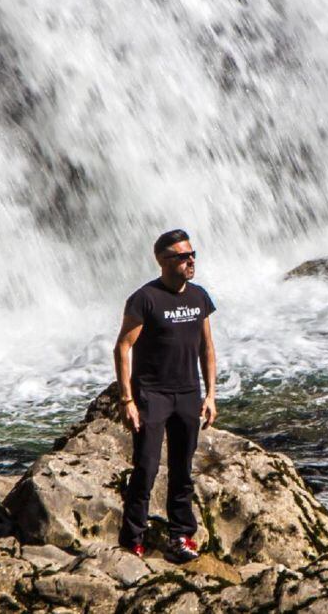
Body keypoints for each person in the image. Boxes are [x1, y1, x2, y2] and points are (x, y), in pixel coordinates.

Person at [114, 229, 217, 561]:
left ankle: (180, 536)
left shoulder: (199, 296)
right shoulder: (145, 298)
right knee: (145, 468)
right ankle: (132, 540)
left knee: (183, 470)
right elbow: (123, 347)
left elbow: (207, 348)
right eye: (182, 257)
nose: (190, 261)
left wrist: (211, 394)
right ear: (162, 260)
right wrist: (127, 400)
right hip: (152, 395)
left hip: (188, 393)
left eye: (192, 255)